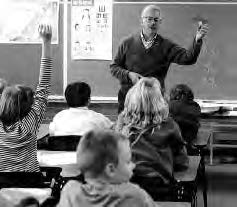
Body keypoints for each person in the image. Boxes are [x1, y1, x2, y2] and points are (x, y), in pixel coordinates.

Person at [110, 4, 208, 113]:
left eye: (156, 20)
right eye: (149, 19)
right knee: (127, 129)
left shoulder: (166, 45)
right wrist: (129, 75)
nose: (153, 23)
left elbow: (188, 58)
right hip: (128, 100)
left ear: (160, 23)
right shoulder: (127, 43)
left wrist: (197, 40)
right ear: (142, 21)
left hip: (154, 102)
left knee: (154, 129)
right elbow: (114, 67)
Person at [115, 77, 188, 200]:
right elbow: (181, 161)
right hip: (156, 187)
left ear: (130, 102)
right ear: (160, 102)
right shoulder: (169, 126)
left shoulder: (121, 126)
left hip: (122, 186)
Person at [57, 129, 158, 207]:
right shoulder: (135, 196)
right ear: (110, 169)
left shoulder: (70, 193)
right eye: (128, 162)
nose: (133, 165)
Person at [0, 24, 53, 172]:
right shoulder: (30, 123)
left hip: (3, 191)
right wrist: (46, 42)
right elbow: (43, 84)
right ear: (29, 106)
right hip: (31, 186)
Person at [49, 81, 113, 136]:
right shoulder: (98, 118)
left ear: (66, 100)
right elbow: (113, 130)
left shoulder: (59, 117)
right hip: (89, 149)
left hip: (61, 149)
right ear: (89, 101)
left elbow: (51, 132)